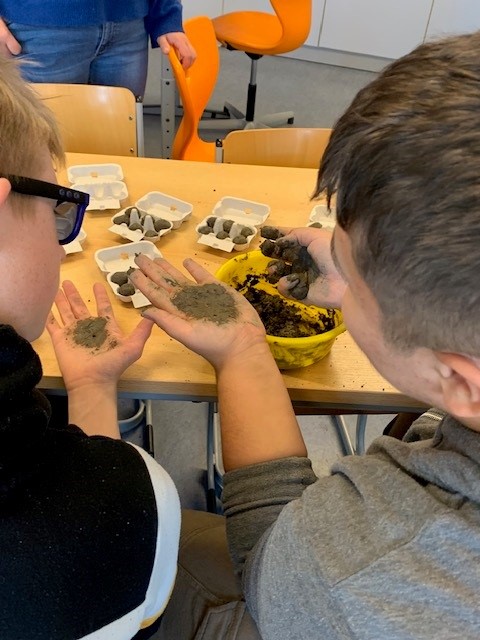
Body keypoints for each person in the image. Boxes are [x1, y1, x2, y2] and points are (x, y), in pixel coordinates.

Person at [129, 30, 480, 639]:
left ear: (459, 382)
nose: (331, 263)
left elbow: (273, 560)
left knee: (156, 550)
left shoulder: (373, 567)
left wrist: (243, 352)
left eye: (350, 273)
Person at [0, 55, 181, 640]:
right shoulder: (133, 505)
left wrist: (90, 384)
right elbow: (94, 507)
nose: (60, 246)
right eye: (57, 211)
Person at [0, 0, 196, 98]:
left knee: (118, 148)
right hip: (40, 28)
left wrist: (166, 13)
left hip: (127, 26)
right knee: (43, 151)